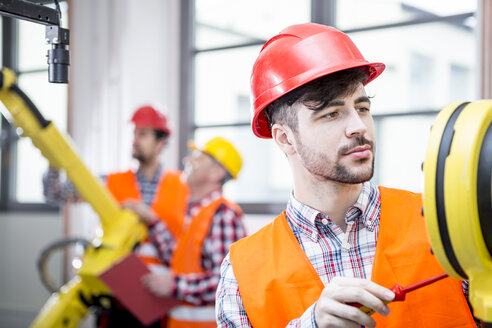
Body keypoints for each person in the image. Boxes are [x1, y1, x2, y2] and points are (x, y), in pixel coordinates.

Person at [215, 23, 476, 328]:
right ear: (285, 139)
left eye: (362, 108)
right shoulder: (241, 273)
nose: (359, 126)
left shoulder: (446, 224)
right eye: (332, 114)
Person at [43, 105, 189, 327]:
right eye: (134, 133)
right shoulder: (111, 182)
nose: (135, 139)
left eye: (143, 134)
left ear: (160, 143)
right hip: (113, 297)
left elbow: (188, 247)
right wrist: (53, 160)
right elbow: (55, 194)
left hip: (156, 300)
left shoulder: (183, 187)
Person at [139, 136, 247, 328]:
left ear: (216, 172)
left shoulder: (224, 215)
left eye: (198, 157)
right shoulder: (195, 213)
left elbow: (226, 282)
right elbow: (177, 259)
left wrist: (174, 285)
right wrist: (152, 221)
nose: (188, 160)